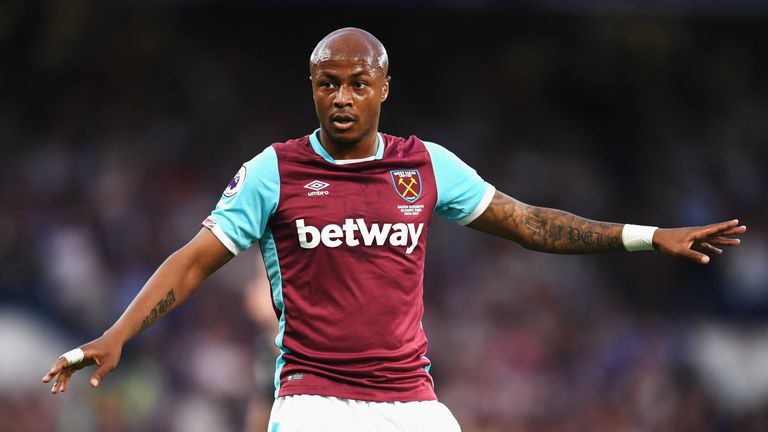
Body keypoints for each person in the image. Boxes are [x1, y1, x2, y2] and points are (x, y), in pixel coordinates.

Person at [43, 27, 746, 431]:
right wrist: (117, 335)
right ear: (312, 87)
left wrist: (647, 236)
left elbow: (530, 224)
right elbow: (193, 260)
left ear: (383, 87)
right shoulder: (273, 171)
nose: (341, 98)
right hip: (314, 402)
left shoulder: (425, 166)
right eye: (327, 83)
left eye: (355, 83)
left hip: (413, 404)